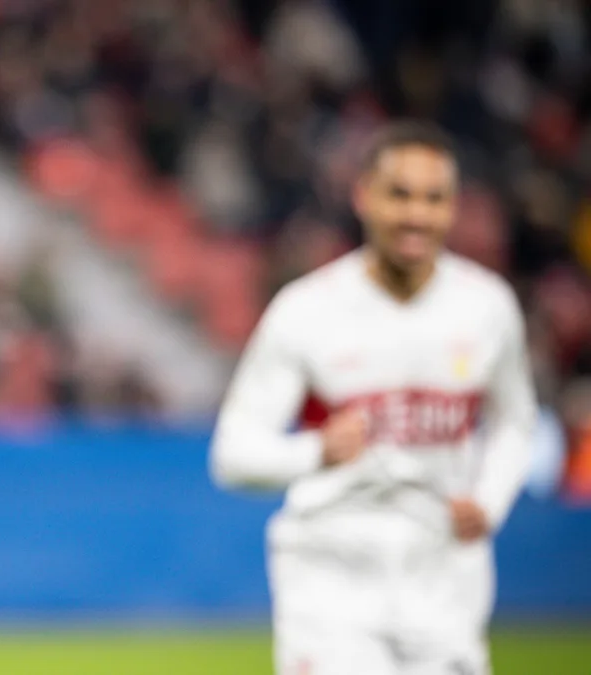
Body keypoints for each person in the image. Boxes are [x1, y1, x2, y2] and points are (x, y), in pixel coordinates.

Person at [210, 121, 537, 675]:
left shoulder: (487, 307)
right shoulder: (307, 309)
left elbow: (516, 421)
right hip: (332, 570)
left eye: (434, 198)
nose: (417, 215)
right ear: (363, 196)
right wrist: (317, 450)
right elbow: (233, 455)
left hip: (443, 572)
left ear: (454, 206)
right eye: (400, 195)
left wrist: (490, 499)